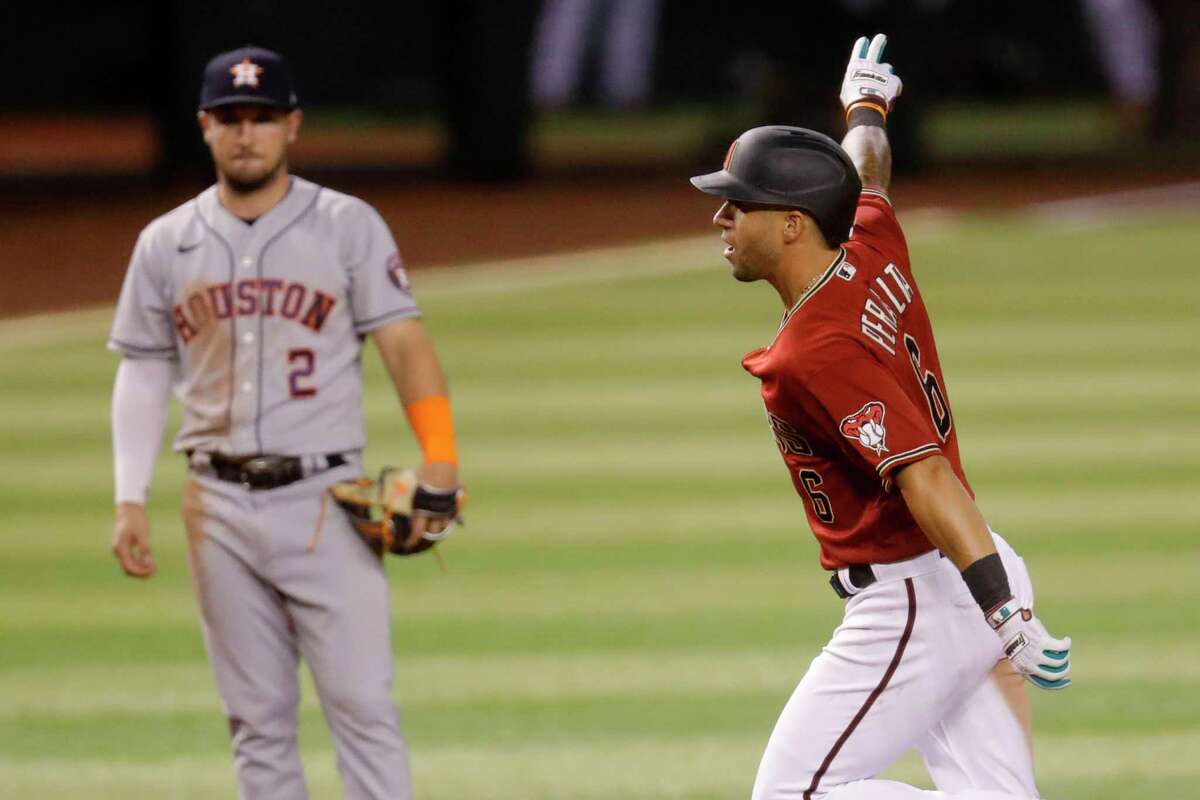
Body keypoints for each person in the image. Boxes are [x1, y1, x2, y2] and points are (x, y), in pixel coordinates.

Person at [690, 35, 1072, 800]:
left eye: (741, 203)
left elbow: (922, 471)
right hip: (970, 567)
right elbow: (866, 166)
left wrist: (1001, 609)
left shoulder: (815, 349)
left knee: (792, 795)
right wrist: (864, 103)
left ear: (794, 224)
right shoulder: (868, 242)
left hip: (920, 597)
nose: (722, 217)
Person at [107, 46, 462, 800]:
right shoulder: (165, 243)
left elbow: (404, 342)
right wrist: (128, 495)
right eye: (230, 118)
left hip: (324, 502)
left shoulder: (347, 225)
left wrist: (441, 457)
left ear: (291, 125)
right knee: (256, 721)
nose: (246, 134)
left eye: (262, 118)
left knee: (363, 707)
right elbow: (142, 368)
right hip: (217, 505)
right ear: (204, 126)